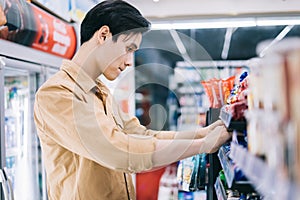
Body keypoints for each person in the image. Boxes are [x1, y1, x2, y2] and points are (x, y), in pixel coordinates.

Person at [33, 0, 231, 199]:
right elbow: (117, 150)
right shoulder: (57, 94)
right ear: (103, 35)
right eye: (128, 48)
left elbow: (141, 135)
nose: (129, 62)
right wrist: (202, 145)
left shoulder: (99, 92)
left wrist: (201, 134)